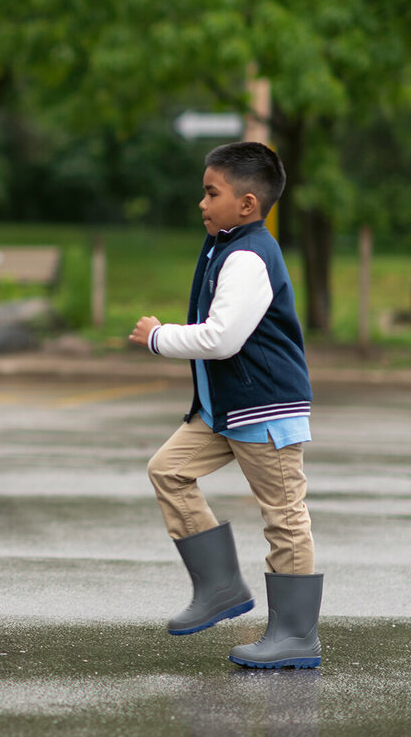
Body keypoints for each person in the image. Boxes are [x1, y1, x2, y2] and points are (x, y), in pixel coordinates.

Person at [128, 141, 322, 669]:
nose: (201, 203)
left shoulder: (249, 255)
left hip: (265, 411)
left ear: (248, 204)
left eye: (211, 193)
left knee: (284, 518)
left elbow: (221, 339)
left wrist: (158, 338)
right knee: (167, 470)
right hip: (227, 410)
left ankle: (295, 635)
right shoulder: (225, 244)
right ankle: (219, 587)